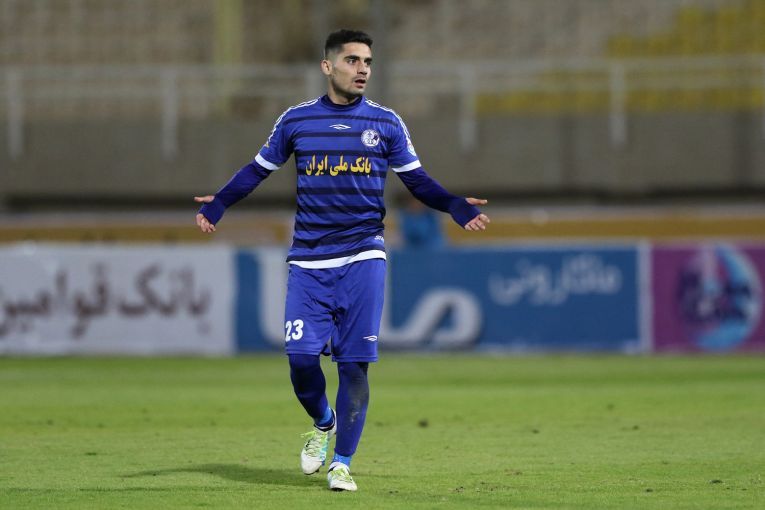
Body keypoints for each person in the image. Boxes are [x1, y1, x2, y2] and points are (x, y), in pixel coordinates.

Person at [194, 29, 490, 492]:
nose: (362, 69)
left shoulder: (386, 123)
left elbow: (417, 181)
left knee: (354, 366)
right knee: (300, 361)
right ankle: (323, 421)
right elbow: (257, 170)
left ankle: (342, 464)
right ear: (327, 66)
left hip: (363, 255)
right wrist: (219, 204)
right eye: (352, 60)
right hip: (309, 260)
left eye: (367, 61)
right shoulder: (296, 120)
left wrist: (453, 204)